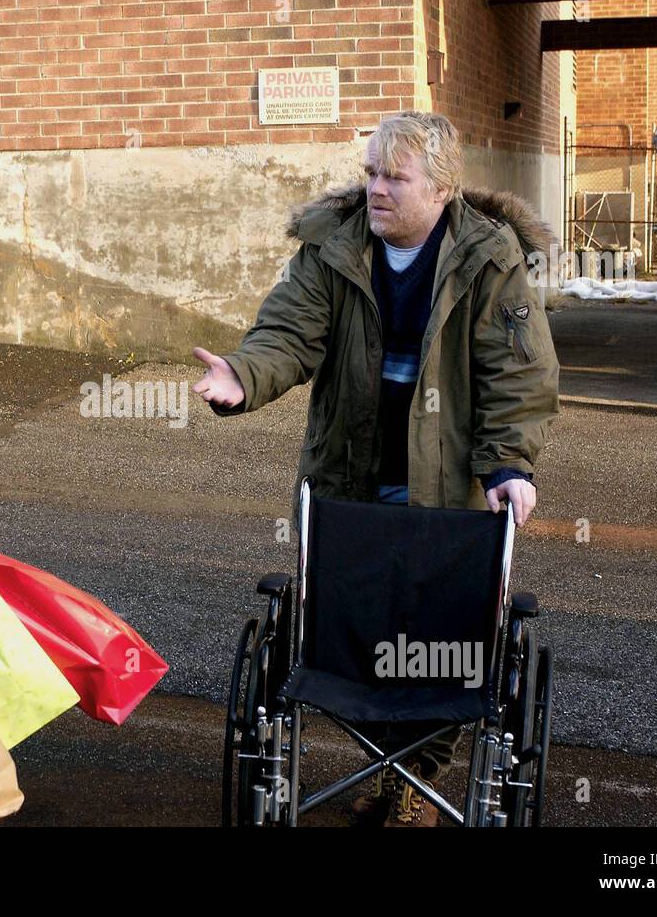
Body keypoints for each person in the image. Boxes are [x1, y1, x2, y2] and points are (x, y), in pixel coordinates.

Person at [192, 111, 560, 826]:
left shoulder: (490, 260)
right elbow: (288, 333)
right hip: (350, 480)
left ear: (442, 189)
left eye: (395, 176)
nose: (376, 189)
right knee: (356, 634)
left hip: (447, 486)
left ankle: (411, 780)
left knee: (442, 643)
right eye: (369, 173)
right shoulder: (333, 249)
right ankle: (387, 766)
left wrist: (510, 464)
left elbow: (518, 375)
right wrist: (243, 372)